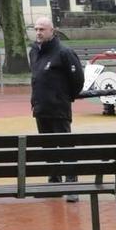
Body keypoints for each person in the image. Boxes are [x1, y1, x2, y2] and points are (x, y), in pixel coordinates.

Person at [28, 15, 85, 192]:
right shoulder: (34, 52)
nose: (38, 32)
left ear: (52, 31)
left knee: (65, 145)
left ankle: (70, 181)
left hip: (59, 108)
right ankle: (54, 179)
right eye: (36, 29)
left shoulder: (64, 52)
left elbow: (78, 79)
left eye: (42, 29)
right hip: (40, 107)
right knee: (47, 146)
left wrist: (67, 96)